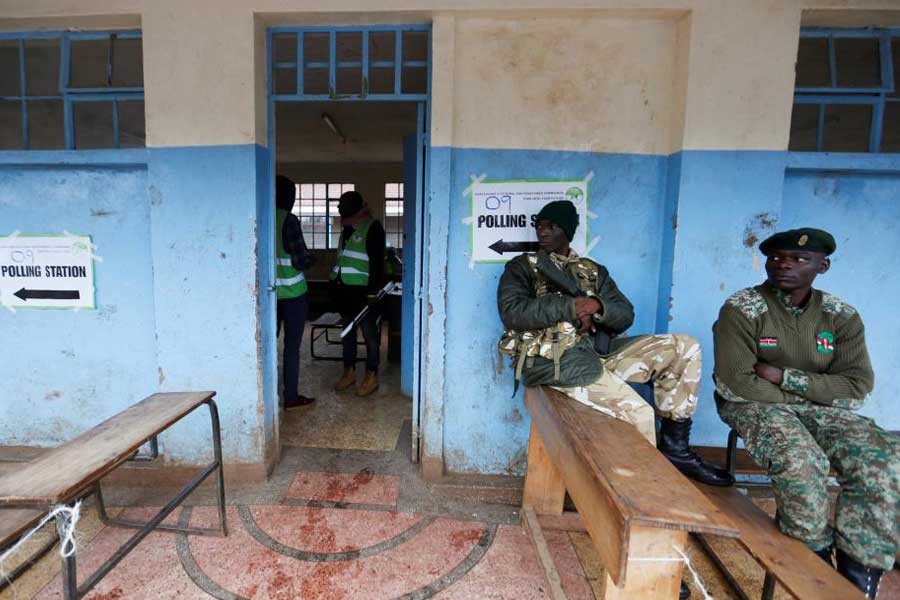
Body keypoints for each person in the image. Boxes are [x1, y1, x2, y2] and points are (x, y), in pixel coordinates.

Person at [713, 227, 899, 598]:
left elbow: (856, 387)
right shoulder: (743, 308)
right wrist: (813, 393)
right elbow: (738, 383)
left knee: (885, 459)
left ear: (823, 266)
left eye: (800, 259)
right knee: (800, 460)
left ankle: (856, 578)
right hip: (753, 405)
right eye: (777, 257)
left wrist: (787, 377)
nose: (785, 265)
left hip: (811, 406)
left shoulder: (840, 316)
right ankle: (810, 565)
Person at [330, 190, 386, 397]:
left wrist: (373, 294)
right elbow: (343, 260)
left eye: (341, 206)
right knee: (348, 336)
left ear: (356, 209)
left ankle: (371, 375)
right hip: (346, 292)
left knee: (371, 337)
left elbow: (377, 265)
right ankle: (349, 372)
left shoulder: (373, 228)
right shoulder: (346, 229)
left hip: (365, 294)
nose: (338, 209)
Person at [275, 175, 315, 409]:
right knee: (291, 348)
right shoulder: (288, 220)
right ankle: (290, 397)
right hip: (294, 295)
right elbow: (300, 260)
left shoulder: (261, 215)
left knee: (268, 347)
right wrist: (312, 259)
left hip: (270, 296)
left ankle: (267, 397)